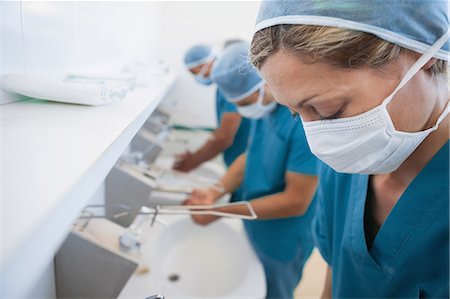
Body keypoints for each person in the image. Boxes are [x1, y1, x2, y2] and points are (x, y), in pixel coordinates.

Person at [249, 1, 449, 297]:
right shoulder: (347, 165)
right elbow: (338, 272)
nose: (318, 140)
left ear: (422, 53)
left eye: (328, 110)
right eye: (294, 113)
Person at [185, 42, 320, 299]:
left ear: (266, 82)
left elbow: (295, 201)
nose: (244, 110)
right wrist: (215, 190)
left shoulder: (302, 123)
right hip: (255, 219)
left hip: (283, 236)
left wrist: (218, 211)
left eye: (246, 102)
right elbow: (250, 156)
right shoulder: (265, 111)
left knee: (275, 291)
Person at [173, 44, 251, 181]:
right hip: (239, 161)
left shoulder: (230, 85)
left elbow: (224, 136)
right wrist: (194, 157)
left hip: (245, 163)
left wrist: (192, 162)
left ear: (208, 61)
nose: (197, 76)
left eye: (195, 71)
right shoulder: (223, 88)